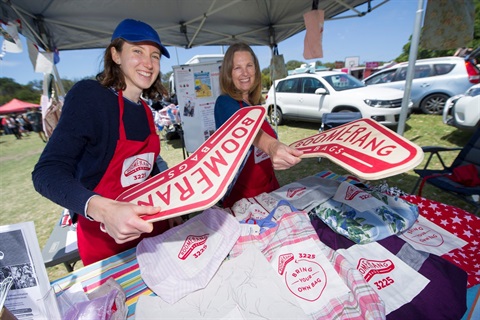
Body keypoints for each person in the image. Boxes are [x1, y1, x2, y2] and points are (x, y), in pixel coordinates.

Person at [32, 19, 182, 266]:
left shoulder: (144, 110)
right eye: (137, 51)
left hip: (148, 233)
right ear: (115, 54)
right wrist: (104, 210)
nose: (148, 63)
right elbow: (47, 172)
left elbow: (148, 165)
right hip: (104, 241)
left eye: (155, 56)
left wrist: (171, 207)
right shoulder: (90, 96)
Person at [214, 42, 303, 208]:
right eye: (237, 68)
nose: (245, 73)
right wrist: (271, 146)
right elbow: (245, 129)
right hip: (243, 198)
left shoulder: (254, 104)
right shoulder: (224, 103)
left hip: (268, 188)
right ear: (228, 73)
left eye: (249, 65)